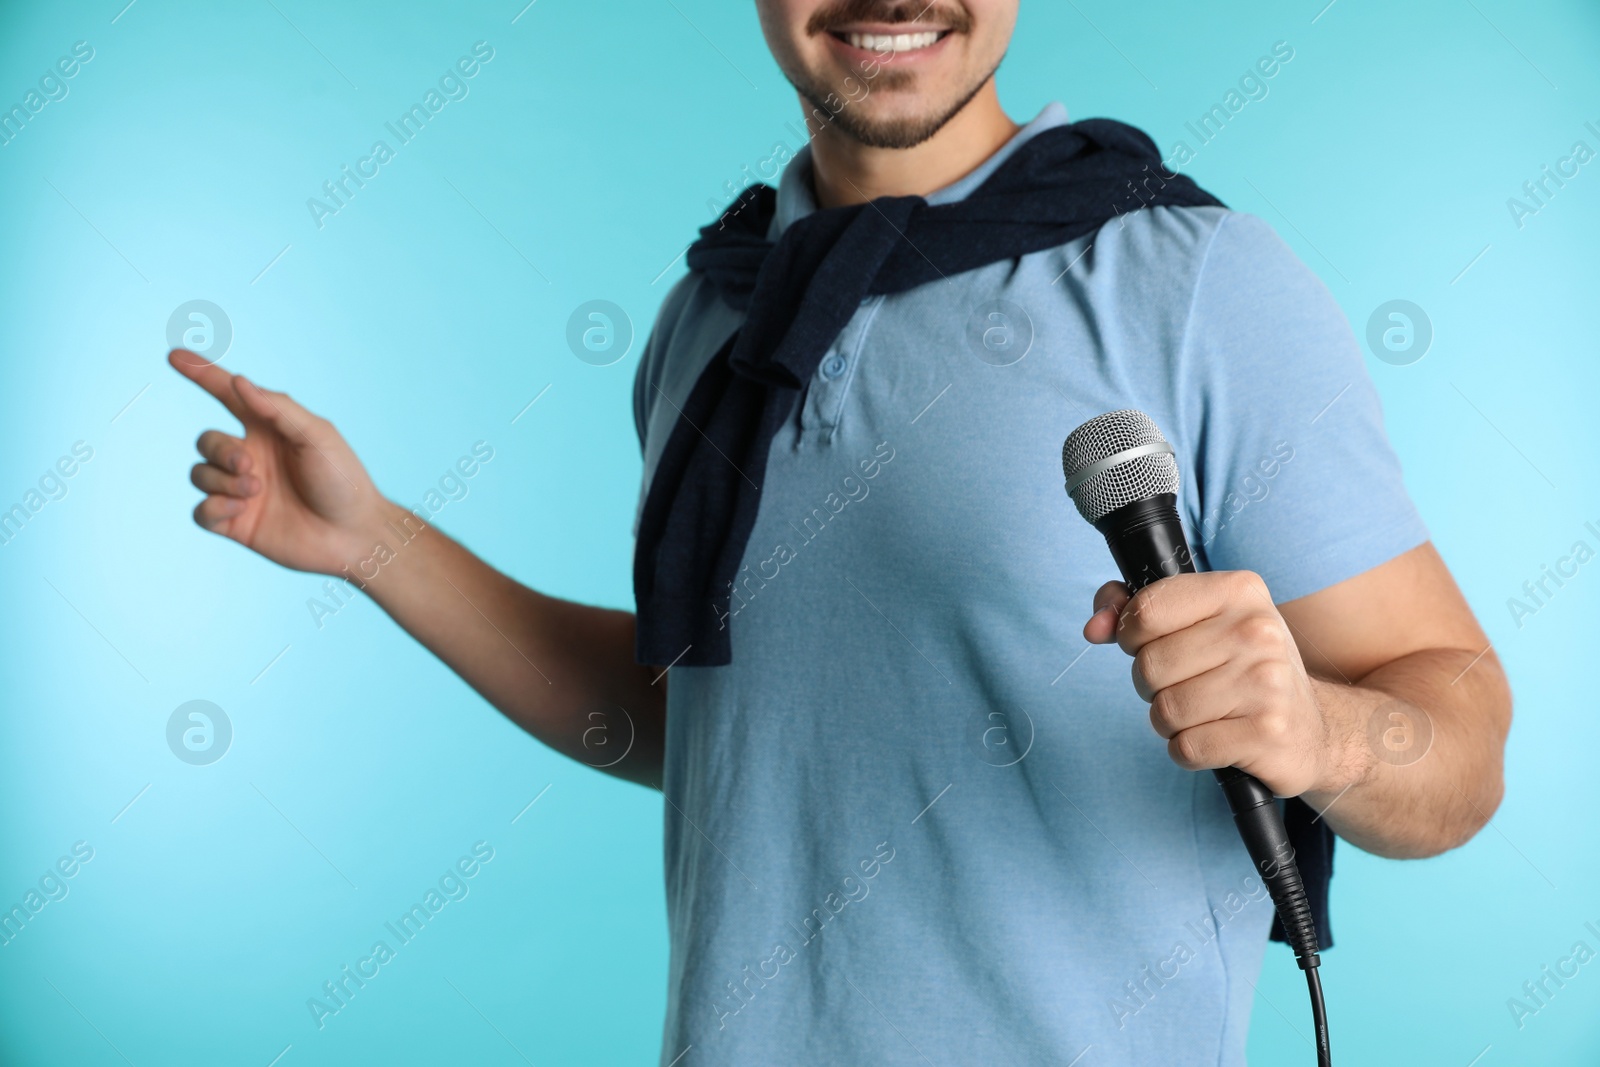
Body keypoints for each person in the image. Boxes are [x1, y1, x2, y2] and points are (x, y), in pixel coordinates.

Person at [173, 1, 1511, 1062]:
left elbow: (1459, 736)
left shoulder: (1198, 285)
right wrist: (372, 544)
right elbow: (714, 724)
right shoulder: (713, 321)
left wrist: (1316, 730)